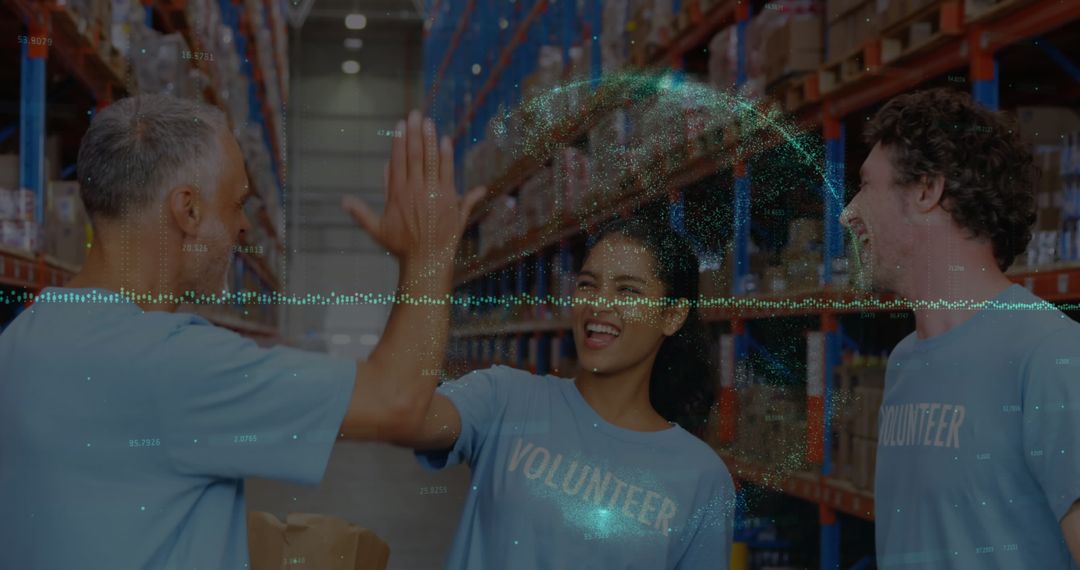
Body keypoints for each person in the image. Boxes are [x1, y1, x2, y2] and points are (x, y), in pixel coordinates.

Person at [0, 94, 483, 569]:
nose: (244, 228)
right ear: (187, 211)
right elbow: (396, 399)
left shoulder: (22, 339)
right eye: (236, 204)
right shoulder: (177, 365)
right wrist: (428, 256)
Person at [389, 214, 736, 569]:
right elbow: (407, 414)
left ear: (673, 316)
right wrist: (424, 268)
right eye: (588, 284)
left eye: (628, 289)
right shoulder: (506, 399)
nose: (599, 303)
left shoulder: (702, 477)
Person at [840, 88, 1080, 567]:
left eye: (866, 186)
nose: (848, 212)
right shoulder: (905, 360)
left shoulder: (1051, 354)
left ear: (927, 190)